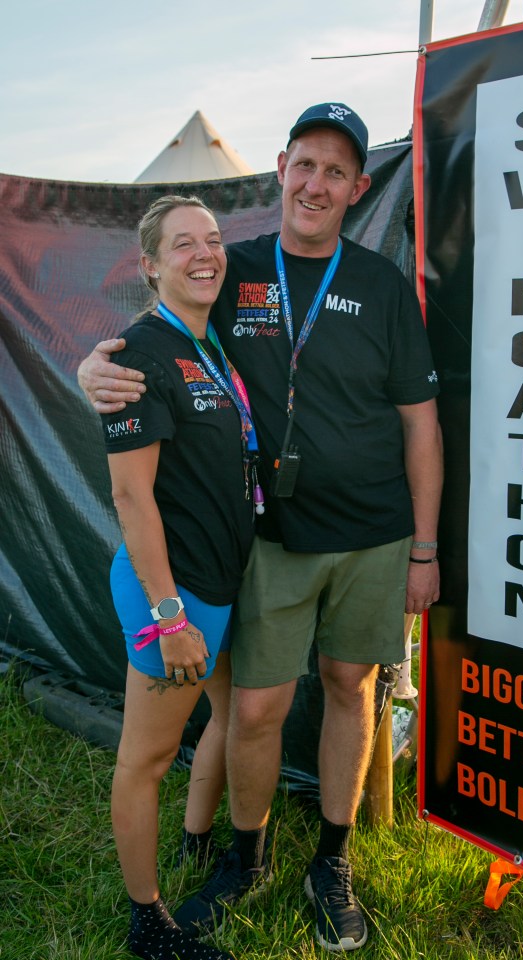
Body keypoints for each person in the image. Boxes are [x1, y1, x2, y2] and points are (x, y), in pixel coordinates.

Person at [79, 103, 443, 953]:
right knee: (255, 711)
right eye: (305, 165)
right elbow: (145, 332)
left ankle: (334, 861)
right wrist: (93, 366)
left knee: (352, 688)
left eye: (337, 172)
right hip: (271, 540)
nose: (317, 184)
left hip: (375, 533)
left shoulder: (383, 284)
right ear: (281, 169)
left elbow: (422, 422)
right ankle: (246, 861)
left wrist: (424, 546)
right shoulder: (228, 267)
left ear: (357, 189)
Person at [98, 195, 256, 960]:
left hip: (220, 584)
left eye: (214, 240)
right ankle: (146, 920)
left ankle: (197, 841)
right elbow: (130, 497)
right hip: (174, 594)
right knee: (148, 757)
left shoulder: (210, 340)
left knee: (228, 718)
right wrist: (170, 616)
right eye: (183, 243)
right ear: (150, 264)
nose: (205, 254)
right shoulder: (137, 355)